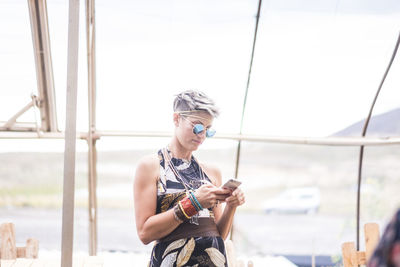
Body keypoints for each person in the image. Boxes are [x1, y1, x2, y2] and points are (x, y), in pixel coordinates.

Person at [134, 90, 246, 267]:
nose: (201, 135)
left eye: (208, 130)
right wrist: (193, 203)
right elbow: (144, 233)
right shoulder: (151, 166)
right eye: (197, 126)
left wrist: (231, 206)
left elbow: (219, 234)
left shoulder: (211, 172)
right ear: (176, 119)